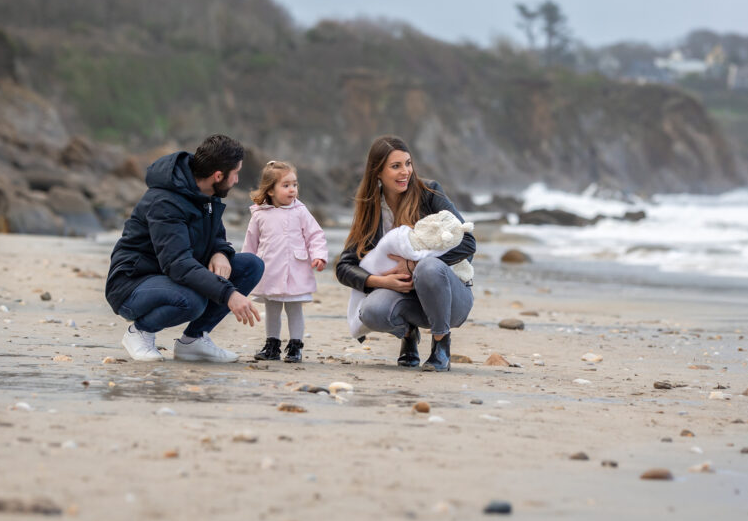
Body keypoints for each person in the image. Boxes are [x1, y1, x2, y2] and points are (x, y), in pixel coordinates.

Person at [105, 134, 264, 362]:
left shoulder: (207, 193)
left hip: (170, 276)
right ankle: (139, 333)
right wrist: (228, 294)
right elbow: (178, 264)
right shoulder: (166, 202)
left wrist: (220, 252)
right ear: (218, 175)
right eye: (235, 173)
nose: (237, 180)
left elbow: (215, 236)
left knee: (251, 265)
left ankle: (194, 340)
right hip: (132, 284)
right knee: (191, 301)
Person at [335, 135, 476, 371]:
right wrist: (380, 281)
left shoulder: (429, 193)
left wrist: (413, 265)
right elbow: (344, 266)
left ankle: (441, 344)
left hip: (451, 298)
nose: (405, 172)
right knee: (370, 311)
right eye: (396, 166)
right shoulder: (372, 208)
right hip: (406, 299)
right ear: (377, 172)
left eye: (408, 163)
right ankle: (408, 333)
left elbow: (468, 242)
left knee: (428, 267)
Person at [242, 160, 328, 363]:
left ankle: (295, 346)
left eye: (295, 185)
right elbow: (250, 243)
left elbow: (315, 235)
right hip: (269, 269)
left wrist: (319, 255)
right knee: (272, 309)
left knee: (294, 309)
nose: (292, 190)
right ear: (270, 190)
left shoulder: (300, 211)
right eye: (286, 185)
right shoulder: (259, 214)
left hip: (295, 270)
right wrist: (245, 268)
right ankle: (272, 345)